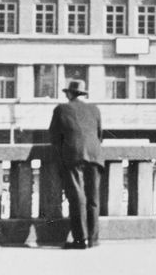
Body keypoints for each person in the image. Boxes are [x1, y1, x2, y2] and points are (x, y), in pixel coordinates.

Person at [48, 79, 103, 249]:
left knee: (77, 197)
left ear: (70, 94)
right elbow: (100, 134)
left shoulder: (61, 109)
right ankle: (93, 240)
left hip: (74, 155)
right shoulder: (95, 109)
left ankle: (81, 239)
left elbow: (54, 137)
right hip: (95, 155)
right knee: (93, 197)